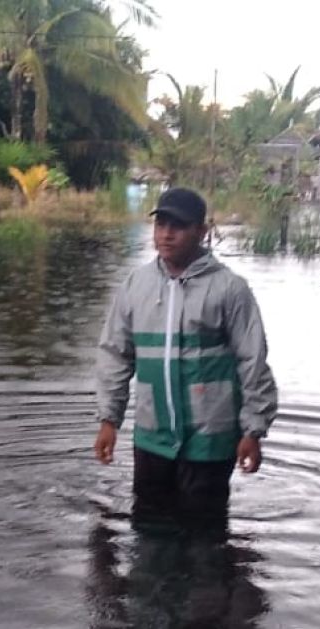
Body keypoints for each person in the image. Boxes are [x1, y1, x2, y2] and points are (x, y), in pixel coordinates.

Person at [94, 187, 278, 514]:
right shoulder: (136, 286)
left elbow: (252, 361)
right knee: (148, 533)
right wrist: (109, 419)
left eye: (177, 226)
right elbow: (115, 355)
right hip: (152, 440)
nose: (166, 234)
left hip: (210, 444)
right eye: (161, 224)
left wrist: (253, 430)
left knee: (205, 539)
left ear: (201, 232)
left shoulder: (229, 288)